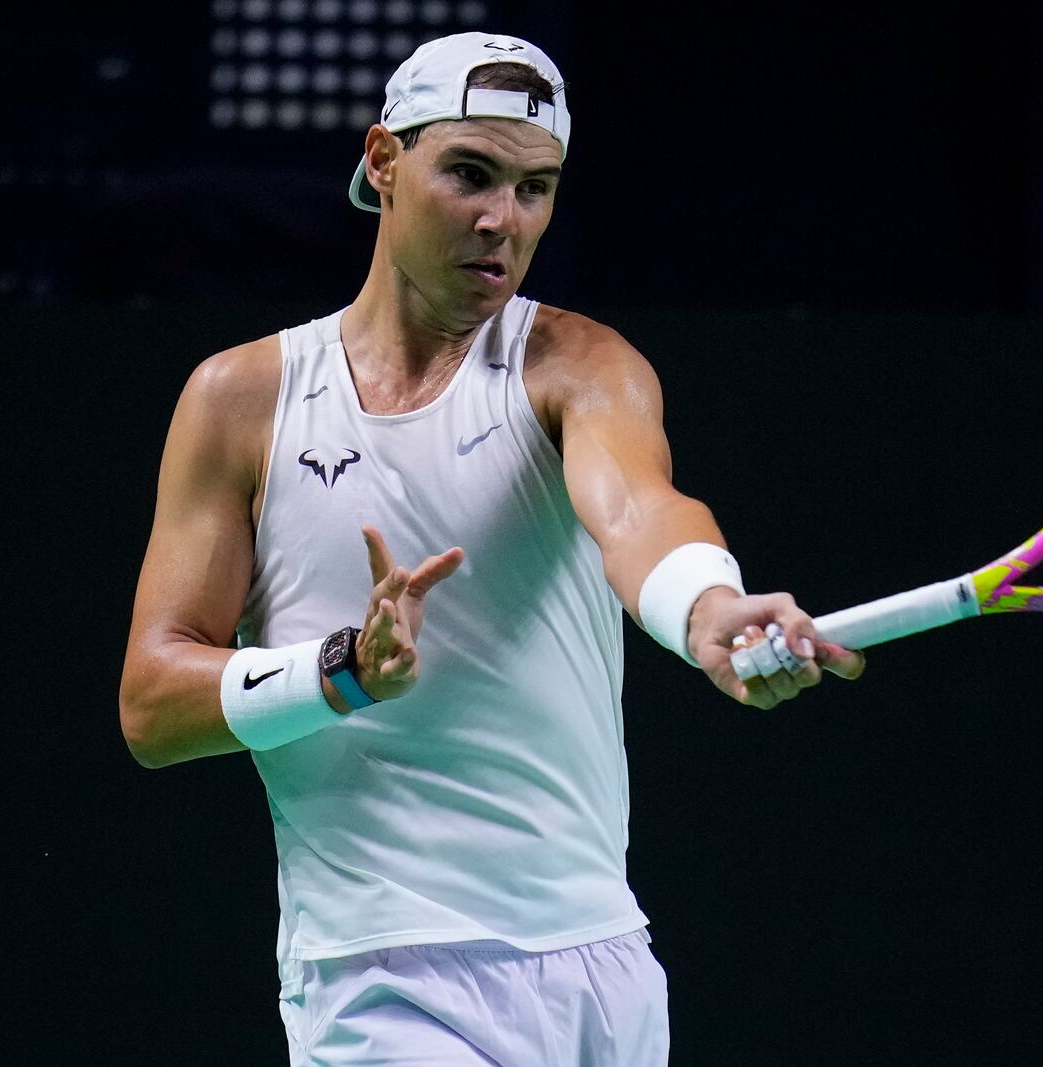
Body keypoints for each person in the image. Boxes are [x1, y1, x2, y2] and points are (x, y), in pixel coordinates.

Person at [118, 31, 865, 1066]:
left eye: (534, 188)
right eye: (469, 173)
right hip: (380, 976)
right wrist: (340, 671)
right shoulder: (243, 400)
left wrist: (705, 606)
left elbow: (640, 510)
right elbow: (152, 704)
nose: (499, 221)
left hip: (598, 967)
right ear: (384, 162)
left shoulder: (574, 362)